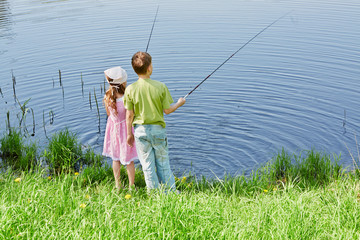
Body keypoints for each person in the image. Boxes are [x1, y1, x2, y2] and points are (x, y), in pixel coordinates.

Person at [124, 51, 186, 192]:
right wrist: (179, 103)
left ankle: (154, 194)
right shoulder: (160, 86)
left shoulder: (130, 89)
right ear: (149, 68)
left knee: (147, 166)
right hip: (158, 130)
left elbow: (129, 115)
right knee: (163, 164)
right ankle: (171, 193)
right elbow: (167, 110)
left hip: (140, 132)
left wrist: (129, 134)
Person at [102, 66, 138, 190]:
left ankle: (118, 185)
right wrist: (129, 134)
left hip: (113, 130)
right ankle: (131, 186)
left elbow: (109, 114)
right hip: (125, 130)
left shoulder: (107, 97)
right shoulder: (126, 97)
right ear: (123, 82)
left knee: (115, 158)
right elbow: (129, 116)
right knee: (129, 161)